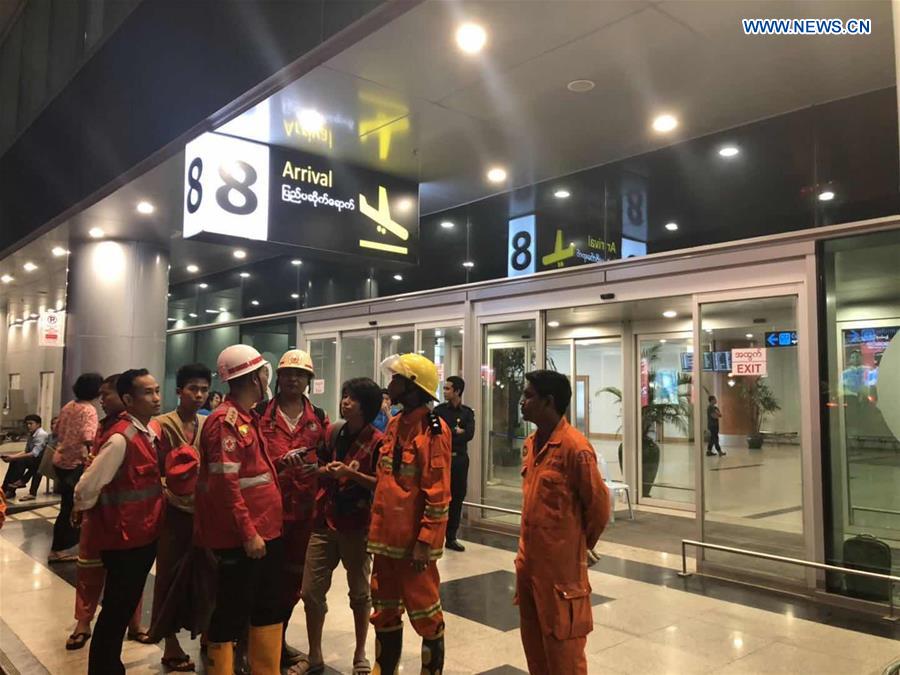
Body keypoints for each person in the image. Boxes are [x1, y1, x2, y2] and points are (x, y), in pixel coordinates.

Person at [195, 345, 284, 675]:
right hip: (243, 538)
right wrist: (248, 533)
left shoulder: (249, 418)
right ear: (253, 377)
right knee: (231, 612)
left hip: (267, 531)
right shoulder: (225, 422)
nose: (266, 377)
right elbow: (226, 486)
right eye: (263, 372)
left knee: (267, 607)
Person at [516, 369, 610, 675]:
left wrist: (577, 545)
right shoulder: (531, 443)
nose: (522, 401)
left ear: (549, 401)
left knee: (564, 655)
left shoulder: (575, 448)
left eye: (529, 396)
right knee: (535, 650)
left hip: (561, 574)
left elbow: (598, 507)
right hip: (529, 565)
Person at [72, 369, 165, 675]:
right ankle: (104, 668)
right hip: (124, 540)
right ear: (128, 399)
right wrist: (84, 510)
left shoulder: (146, 432)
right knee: (115, 610)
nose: (155, 398)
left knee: (121, 608)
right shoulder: (122, 439)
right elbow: (87, 486)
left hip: (142, 536)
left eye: (156, 390)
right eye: (147, 393)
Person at [367, 354, 451, 675]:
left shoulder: (434, 431)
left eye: (396, 379)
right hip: (385, 541)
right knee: (384, 611)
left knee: (426, 615)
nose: (390, 384)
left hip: (413, 546)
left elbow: (439, 494)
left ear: (413, 387)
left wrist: (425, 542)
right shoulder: (393, 424)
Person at [296, 377, 383, 675]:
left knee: (360, 594)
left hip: (358, 526)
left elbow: (383, 484)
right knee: (310, 591)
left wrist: (351, 474)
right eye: (344, 395)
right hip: (324, 520)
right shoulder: (333, 432)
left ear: (366, 406)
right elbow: (317, 467)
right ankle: (315, 654)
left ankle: (360, 654)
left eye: (352, 398)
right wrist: (325, 471)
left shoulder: (378, 441)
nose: (345, 401)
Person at [258, 349, 329, 667]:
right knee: (262, 581)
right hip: (266, 513)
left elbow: (327, 462)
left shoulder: (321, 418)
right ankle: (255, 645)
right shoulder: (260, 414)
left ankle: (278, 640)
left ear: (308, 381)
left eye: (300, 375)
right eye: (288, 373)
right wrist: (278, 465)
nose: (293, 379)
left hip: (304, 516)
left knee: (293, 584)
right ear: (279, 377)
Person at [149, 362, 212, 672]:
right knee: (170, 577)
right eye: (193, 389)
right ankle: (170, 645)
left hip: (204, 513)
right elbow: (150, 466)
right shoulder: (161, 425)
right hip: (172, 513)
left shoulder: (208, 423)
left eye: (203, 390)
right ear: (179, 390)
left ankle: (206, 634)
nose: (199, 395)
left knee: (204, 576)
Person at [50, 372, 103, 563]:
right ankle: (60, 548)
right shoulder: (89, 410)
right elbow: (89, 437)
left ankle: (60, 546)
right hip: (75, 463)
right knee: (72, 507)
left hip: (60, 459)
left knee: (67, 505)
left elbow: (56, 431)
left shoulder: (68, 406)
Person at [433, 376, 475, 552]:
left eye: (448, 389)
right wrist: (454, 432)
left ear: (457, 391)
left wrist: (456, 434)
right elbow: (435, 432)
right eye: (444, 389)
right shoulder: (438, 411)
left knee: (457, 497)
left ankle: (451, 537)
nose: (445, 392)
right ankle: (435, 535)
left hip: (459, 460)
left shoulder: (467, 412)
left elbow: (469, 434)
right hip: (442, 458)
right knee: (439, 497)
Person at [2, 414, 49, 500]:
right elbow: (26, 451)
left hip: (41, 462)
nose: (28, 426)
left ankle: (14, 487)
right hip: (35, 461)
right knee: (15, 461)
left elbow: (34, 453)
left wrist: (15, 458)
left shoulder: (41, 434)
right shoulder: (32, 434)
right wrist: (12, 457)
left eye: (31, 424)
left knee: (20, 461)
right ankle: (6, 489)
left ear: (38, 424)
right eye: (27, 424)